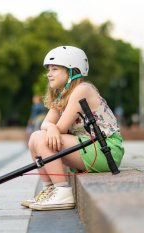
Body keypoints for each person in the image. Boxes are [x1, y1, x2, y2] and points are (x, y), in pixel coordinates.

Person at [22, 46, 125, 211]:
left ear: (72, 71)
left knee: (41, 138)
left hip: (107, 150)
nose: (49, 73)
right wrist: (52, 128)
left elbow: (60, 128)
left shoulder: (82, 90)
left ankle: (62, 191)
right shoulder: (61, 95)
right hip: (89, 147)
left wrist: (54, 129)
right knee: (36, 137)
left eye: (55, 69)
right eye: (48, 69)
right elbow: (45, 124)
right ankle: (50, 189)